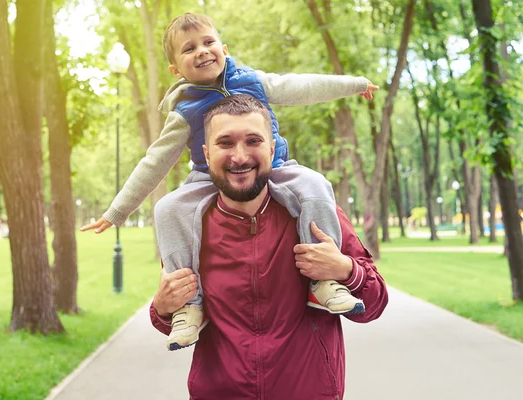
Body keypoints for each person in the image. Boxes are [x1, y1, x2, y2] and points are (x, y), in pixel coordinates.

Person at [81, 12, 380, 350]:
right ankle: (189, 305)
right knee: (167, 209)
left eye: (208, 42)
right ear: (175, 70)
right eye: (189, 48)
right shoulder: (185, 110)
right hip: (209, 178)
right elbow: (155, 161)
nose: (202, 51)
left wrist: (354, 83)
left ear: (223, 47)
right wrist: (116, 212)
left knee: (316, 185)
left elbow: (303, 86)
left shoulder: (253, 80)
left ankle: (323, 281)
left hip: (274, 166)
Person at [151, 94, 388, 399]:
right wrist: (162, 307)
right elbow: (171, 318)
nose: (239, 156)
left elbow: (374, 305)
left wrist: (346, 270)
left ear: (272, 149)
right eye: (225, 143)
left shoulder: (315, 213)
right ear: (207, 155)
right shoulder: (189, 228)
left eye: (253, 141)